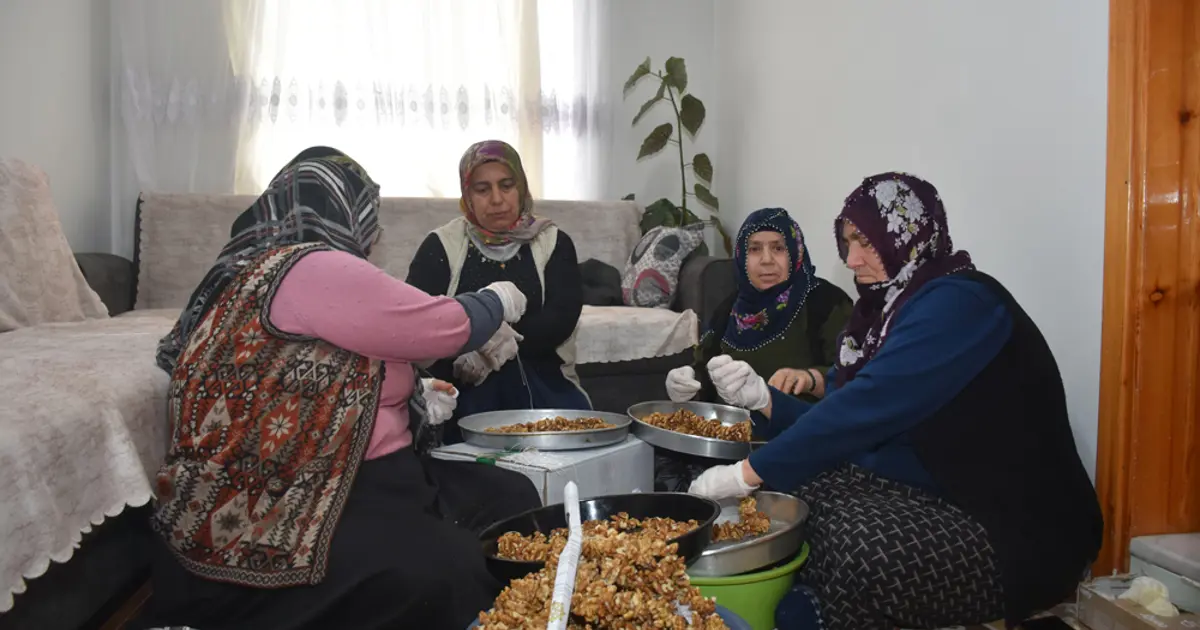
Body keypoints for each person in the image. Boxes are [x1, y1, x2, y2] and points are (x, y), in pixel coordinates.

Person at [137, 147, 542, 630]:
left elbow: (328, 365)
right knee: (447, 571)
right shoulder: (310, 265)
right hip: (305, 491)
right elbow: (443, 325)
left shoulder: (248, 273)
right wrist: (496, 299)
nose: (372, 237)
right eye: (368, 219)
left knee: (510, 498)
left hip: (352, 475)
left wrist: (415, 390)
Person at [687, 173, 1102, 629]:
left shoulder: (961, 302)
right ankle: (816, 606)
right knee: (801, 493)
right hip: (934, 479)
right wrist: (766, 400)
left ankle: (827, 609)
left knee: (863, 549)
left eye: (865, 240)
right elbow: (841, 402)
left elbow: (865, 407)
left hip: (1016, 522)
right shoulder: (884, 311)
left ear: (908, 235)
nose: (851, 258)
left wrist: (745, 474)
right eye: (846, 242)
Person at [655, 207, 851, 492]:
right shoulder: (730, 310)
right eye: (755, 249)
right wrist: (685, 385)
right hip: (730, 446)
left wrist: (808, 377)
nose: (767, 260)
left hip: (800, 444)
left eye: (778, 248)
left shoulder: (826, 303)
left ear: (795, 252)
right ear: (741, 258)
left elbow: (855, 378)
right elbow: (705, 370)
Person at [407, 140, 590, 442]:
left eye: (507, 186)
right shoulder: (440, 246)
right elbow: (420, 323)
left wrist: (499, 344)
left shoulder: (553, 242)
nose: (497, 199)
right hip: (461, 384)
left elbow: (561, 317)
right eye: (482, 189)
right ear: (468, 195)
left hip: (542, 377)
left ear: (521, 188)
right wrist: (472, 349)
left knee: (571, 441)